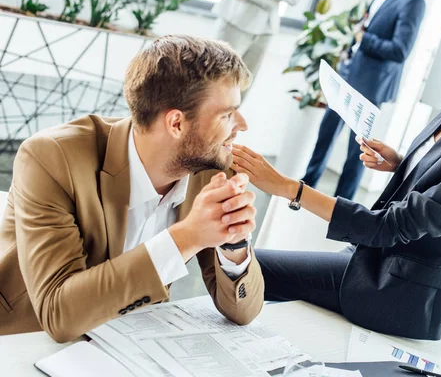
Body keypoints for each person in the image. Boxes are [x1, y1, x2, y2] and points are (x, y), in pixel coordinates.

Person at [232, 0, 441, 340]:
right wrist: (403, 163)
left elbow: (391, 226)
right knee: (243, 266)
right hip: (376, 256)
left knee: (247, 265)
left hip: (400, 286)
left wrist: (287, 188)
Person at [0, 36, 264, 342]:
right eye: (227, 114)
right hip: (23, 342)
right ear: (176, 123)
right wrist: (187, 237)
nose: (242, 125)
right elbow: (58, 315)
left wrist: (234, 244)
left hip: (130, 345)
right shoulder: (52, 158)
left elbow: (244, 311)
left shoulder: (210, 167)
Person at [302, 0, 426, 200]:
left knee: (357, 152)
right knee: (326, 133)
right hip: (350, 74)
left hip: (371, 85)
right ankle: (306, 185)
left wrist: (364, 38)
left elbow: (400, 50)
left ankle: (343, 203)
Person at [213, 0, 301, 99]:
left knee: (245, 80)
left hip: (266, 29)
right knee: (220, 76)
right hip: (236, 22)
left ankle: (230, 116)